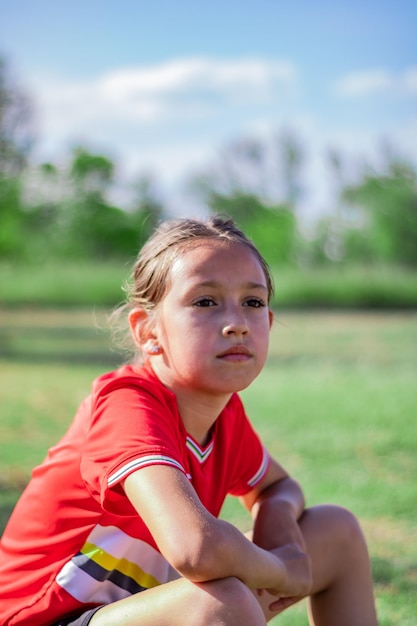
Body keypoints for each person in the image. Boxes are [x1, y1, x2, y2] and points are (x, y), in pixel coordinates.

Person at [0, 216, 378, 626]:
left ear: (268, 323)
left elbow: (278, 487)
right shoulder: (127, 404)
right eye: (205, 302)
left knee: (334, 530)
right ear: (148, 332)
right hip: (47, 620)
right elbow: (195, 550)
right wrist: (281, 570)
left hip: (140, 609)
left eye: (253, 302)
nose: (236, 324)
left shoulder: (225, 413)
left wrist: (282, 537)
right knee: (220, 602)